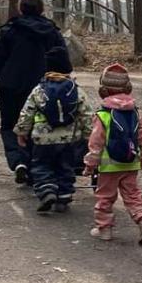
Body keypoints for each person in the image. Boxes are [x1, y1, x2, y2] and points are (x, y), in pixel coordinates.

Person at [0, 0, 67, 184]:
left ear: (21, 8)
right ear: (41, 8)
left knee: (10, 126)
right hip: (43, 87)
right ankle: (35, 166)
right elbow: (63, 61)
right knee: (38, 124)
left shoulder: (10, 29)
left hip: (10, 85)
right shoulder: (51, 31)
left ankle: (19, 162)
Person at [82, 63, 142, 244]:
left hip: (108, 166)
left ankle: (104, 229)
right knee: (133, 194)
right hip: (130, 163)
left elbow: (95, 143)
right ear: (128, 88)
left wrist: (90, 165)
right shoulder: (134, 113)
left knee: (105, 197)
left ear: (103, 90)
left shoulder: (103, 114)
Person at [13, 47, 91, 213]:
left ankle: (47, 191)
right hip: (69, 140)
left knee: (41, 166)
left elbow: (27, 112)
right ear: (68, 68)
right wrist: (89, 135)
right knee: (65, 167)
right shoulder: (75, 90)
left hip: (42, 139)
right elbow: (86, 114)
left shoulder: (39, 90)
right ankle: (63, 197)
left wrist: (21, 132)